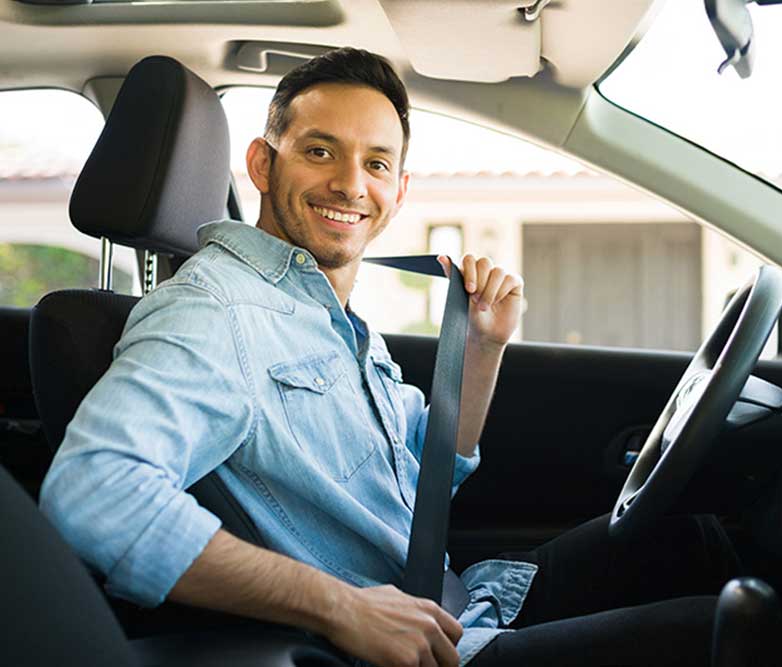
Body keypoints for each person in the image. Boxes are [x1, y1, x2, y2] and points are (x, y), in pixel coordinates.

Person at [40, 48, 739, 667]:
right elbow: (94, 492)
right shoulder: (216, 310)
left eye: (376, 163)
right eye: (319, 151)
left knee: (702, 541)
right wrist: (341, 606)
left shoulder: (325, 310)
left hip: (462, 603)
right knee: (724, 632)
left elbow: (432, 471)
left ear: (398, 191)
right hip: (407, 647)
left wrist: (483, 347)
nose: (351, 184)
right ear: (262, 162)